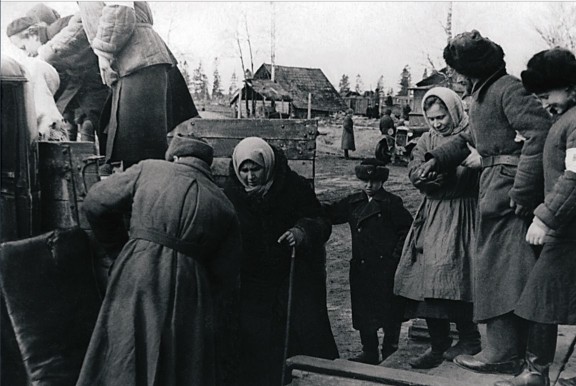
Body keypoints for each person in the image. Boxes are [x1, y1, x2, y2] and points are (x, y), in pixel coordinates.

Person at [420, 30, 552, 375]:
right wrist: (437, 158)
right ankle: (503, 348)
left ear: (473, 68)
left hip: (507, 192)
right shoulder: (482, 94)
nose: (454, 78)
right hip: (495, 190)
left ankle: (504, 352)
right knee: (496, 271)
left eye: (456, 70)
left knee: (507, 273)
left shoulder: (508, 89)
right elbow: (466, 139)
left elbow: (540, 134)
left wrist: (522, 192)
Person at [494, 48, 576, 386]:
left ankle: (535, 375)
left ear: (569, 86)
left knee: (541, 297)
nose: (542, 104)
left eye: (544, 96)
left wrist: (545, 218)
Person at [77, 134, 242, 385]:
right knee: (178, 364)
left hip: (137, 269)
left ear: (175, 156)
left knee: (124, 350)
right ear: (206, 165)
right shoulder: (225, 205)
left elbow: (95, 202)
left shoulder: (149, 169)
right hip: (191, 287)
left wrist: (118, 249)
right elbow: (225, 276)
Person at [223, 137, 338, 385]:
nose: (250, 177)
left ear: (268, 165)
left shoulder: (293, 187)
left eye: (256, 169)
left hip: (290, 276)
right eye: (244, 169)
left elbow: (321, 221)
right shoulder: (231, 194)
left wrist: (302, 231)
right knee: (252, 342)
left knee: (295, 337)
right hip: (251, 281)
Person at [50, 1, 197, 169]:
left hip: (139, 61)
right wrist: (44, 54)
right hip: (134, 61)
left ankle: (146, 192)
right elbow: (81, 26)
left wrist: (104, 52)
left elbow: (120, 9)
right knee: (132, 147)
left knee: (140, 150)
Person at [394, 87, 481, 369]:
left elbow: (482, 166)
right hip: (432, 213)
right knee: (426, 278)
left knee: (458, 276)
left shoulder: (471, 134)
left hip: (462, 212)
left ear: (454, 111)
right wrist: (421, 178)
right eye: (431, 118)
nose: (437, 124)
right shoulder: (426, 139)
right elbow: (415, 166)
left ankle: (469, 338)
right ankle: (438, 343)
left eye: (441, 117)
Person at [323, 159, 412, 365]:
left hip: (385, 270)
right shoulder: (354, 202)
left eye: (375, 181)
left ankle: (390, 350)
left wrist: (395, 257)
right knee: (364, 312)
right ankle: (369, 351)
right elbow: (331, 212)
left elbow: (406, 230)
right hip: (362, 269)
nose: (369, 186)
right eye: (365, 181)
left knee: (390, 312)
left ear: (382, 181)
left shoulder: (391, 203)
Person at [6, 3, 110, 143]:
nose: (27, 54)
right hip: (89, 88)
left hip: (97, 85)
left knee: (89, 125)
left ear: (33, 33)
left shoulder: (62, 28)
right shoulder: (53, 36)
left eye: (24, 47)